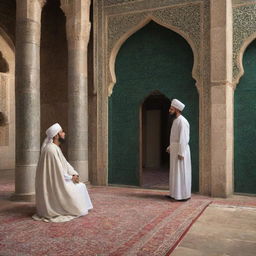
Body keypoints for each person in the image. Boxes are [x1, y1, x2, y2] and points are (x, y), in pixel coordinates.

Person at [32, 123, 93, 222]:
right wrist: (71, 178)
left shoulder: (55, 148)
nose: (64, 134)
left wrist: (74, 174)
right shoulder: (50, 150)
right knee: (80, 186)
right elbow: (58, 171)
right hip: (55, 185)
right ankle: (71, 208)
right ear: (56, 135)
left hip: (59, 180)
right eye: (62, 132)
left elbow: (65, 164)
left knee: (81, 185)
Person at [166, 99, 191, 201]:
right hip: (175, 149)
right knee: (175, 173)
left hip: (181, 151)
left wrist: (181, 152)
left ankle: (182, 196)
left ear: (176, 109)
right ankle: (174, 194)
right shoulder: (176, 120)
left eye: (171, 108)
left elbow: (183, 138)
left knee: (181, 173)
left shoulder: (182, 121)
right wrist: (170, 147)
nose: (169, 110)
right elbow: (174, 137)